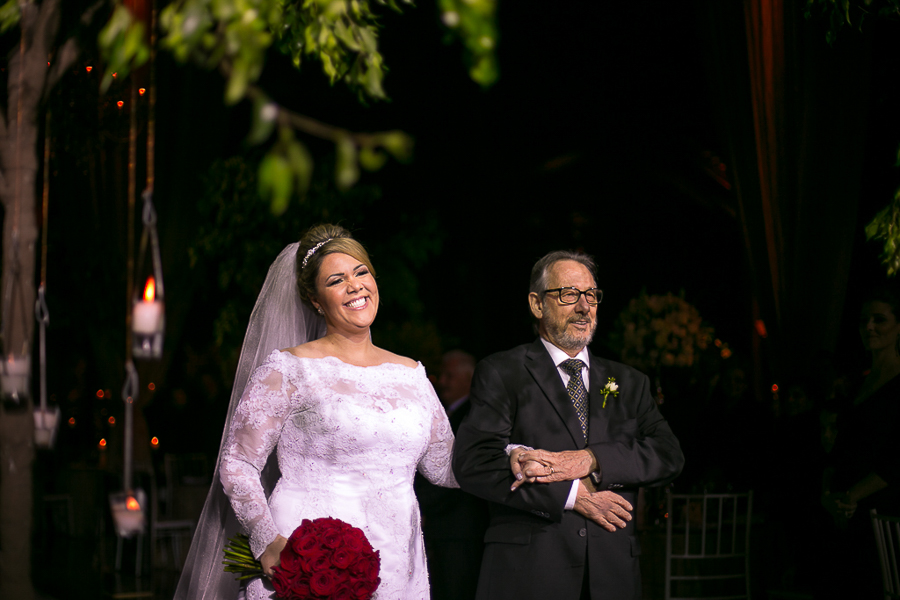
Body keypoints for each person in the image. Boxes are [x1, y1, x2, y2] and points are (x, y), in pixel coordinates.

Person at [174, 225, 460, 600]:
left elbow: (445, 467)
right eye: (336, 280)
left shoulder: (412, 374)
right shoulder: (289, 370)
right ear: (315, 300)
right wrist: (268, 542)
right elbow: (237, 463)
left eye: (361, 272)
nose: (355, 286)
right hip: (310, 562)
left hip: (399, 564)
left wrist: (513, 457)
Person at [452, 250, 684, 600]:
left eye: (591, 295)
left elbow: (668, 454)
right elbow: (475, 462)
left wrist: (591, 459)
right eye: (569, 294)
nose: (584, 306)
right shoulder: (502, 372)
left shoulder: (629, 381)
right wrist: (572, 496)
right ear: (536, 304)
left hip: (613, 576)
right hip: (530, 574)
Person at [817, 286, 900, 599]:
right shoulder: (859, 382)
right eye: (864, 320)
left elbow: (896, 460)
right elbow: (838, 449)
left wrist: (851, 497)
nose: (869, 327)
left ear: (899, 326)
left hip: (880, 515)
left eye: (879, 319)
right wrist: (828, 495)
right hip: (844, 511)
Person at [416, 350, 489, 600]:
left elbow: (460, 471)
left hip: (460, 527)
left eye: (450, 376)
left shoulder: (471, 416)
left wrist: (421, 505)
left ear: (469, 379)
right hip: (445, 526)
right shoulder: (450, 413)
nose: (443, 381)